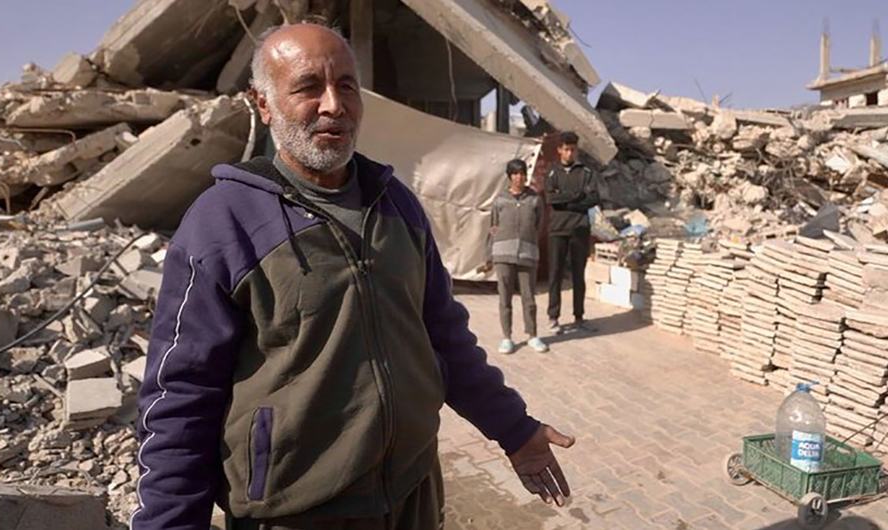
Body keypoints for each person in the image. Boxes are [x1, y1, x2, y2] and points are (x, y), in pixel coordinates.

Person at [130, 24, 575, 530]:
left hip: (412, 495)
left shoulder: (396, 204)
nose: (333, 105)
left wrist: (513, 429)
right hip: (296, 514)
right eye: (307, 87)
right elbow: (180, 397)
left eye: (346, 85)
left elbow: (443, 340)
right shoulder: (222, 222)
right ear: (264, 103)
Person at [487, 159, 549, 355]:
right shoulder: (500, 200)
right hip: (502, 254)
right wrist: (489, 254)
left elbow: (539, 226)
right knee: (504, 298)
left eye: (522, 173)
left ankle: (532, 335)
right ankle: (507, 337)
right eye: (515, 174)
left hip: (527, 254)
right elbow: (493, 227)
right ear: (509, 176)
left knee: (529, 298)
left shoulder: (535, 199)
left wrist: (530, 242)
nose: (519, 177)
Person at [545, 131, 600, 334]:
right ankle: (553, 316)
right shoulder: (552, 172)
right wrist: (577, 196)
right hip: (558, 229)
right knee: (555, 274)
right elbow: (551, 199)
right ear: (559, 150)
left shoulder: (586, 172)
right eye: (566, 149)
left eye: (573, 149)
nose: (570, 153)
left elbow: (593, 199)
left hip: (579, 229)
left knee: (578, 275)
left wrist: (566, 200)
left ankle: (579, 316)